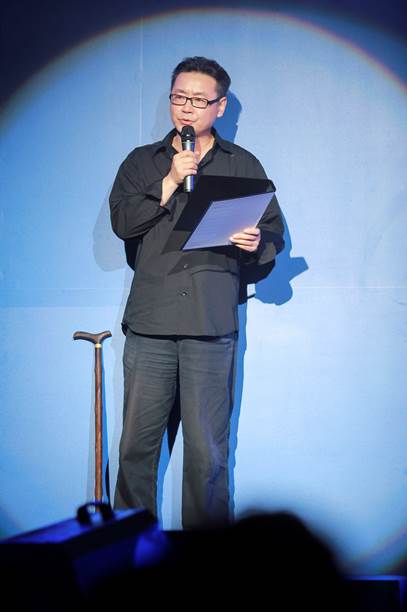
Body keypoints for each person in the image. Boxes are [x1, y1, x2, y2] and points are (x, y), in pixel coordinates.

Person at [110, 56, 285, 529]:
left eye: (198, 100)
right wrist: (169, 181)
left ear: (220, 106)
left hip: (210, 322)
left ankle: (206, 561)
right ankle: (129, 552)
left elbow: (272, 237)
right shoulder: (141, 163)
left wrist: (255, 243)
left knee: (208, 452)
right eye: (178, 97)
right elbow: (122, 222)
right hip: (151, 322)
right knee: (136, 448)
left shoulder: (242, 164)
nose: (186, 107)